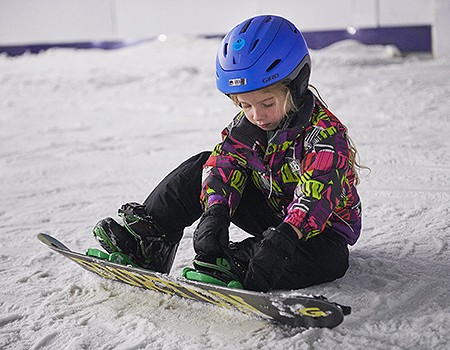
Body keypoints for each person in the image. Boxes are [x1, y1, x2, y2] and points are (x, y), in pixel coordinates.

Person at [92, 15, 362, 292]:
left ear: (296, 85)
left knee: (331, 259)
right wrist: (216, 212)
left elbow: (316, 197)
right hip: (272, 210)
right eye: (245, 105)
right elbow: (226, 165)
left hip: (318, 229)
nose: (257, 116)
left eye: (267, 103)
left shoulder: (325, 135)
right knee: (202, 165)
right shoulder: (248, 128)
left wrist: (284, 237)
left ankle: (238, 264)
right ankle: (149, 244)